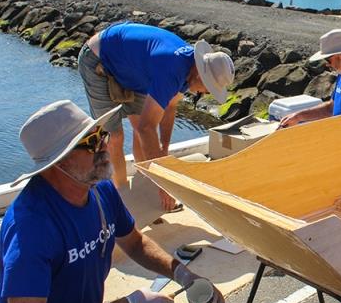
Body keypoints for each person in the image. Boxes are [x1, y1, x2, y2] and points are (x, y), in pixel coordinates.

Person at [0, 100, 223, 303]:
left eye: (102, 134)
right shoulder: (32, 226)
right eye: (91, 142)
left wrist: (183, 274)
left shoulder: (98, 188)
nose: (105, 146)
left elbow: (135, 242)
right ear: (59, 162)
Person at [79, 22, 234, 209]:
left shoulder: (188, 69)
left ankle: (149, 195)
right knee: (115, 137)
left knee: (139, 130)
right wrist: (164, 184)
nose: (207, 94)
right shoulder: (171, 69)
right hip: (99, 59)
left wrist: (164, 151)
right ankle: (123, 201)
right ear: (201, 75)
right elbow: (148, 128)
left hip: (133, 69)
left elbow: (169, 107)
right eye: (209, 88)